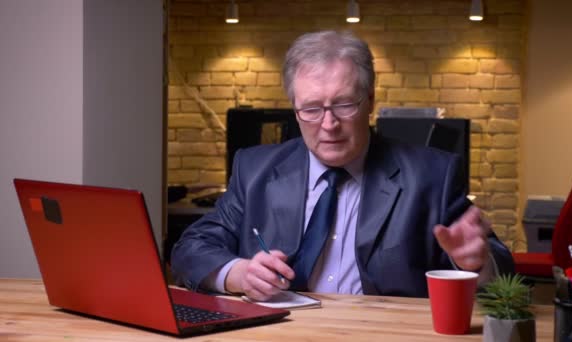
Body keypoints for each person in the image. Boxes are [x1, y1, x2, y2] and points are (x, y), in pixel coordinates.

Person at [171, 30, 514, 301]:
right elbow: (190, 249)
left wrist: (476, 263)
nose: (329, 124)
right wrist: (238, 274)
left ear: (371, 102)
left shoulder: (432, 176)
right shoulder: (255, 169)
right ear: (295, 111)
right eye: (312, 108)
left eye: (344, 104)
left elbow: (507, 279)